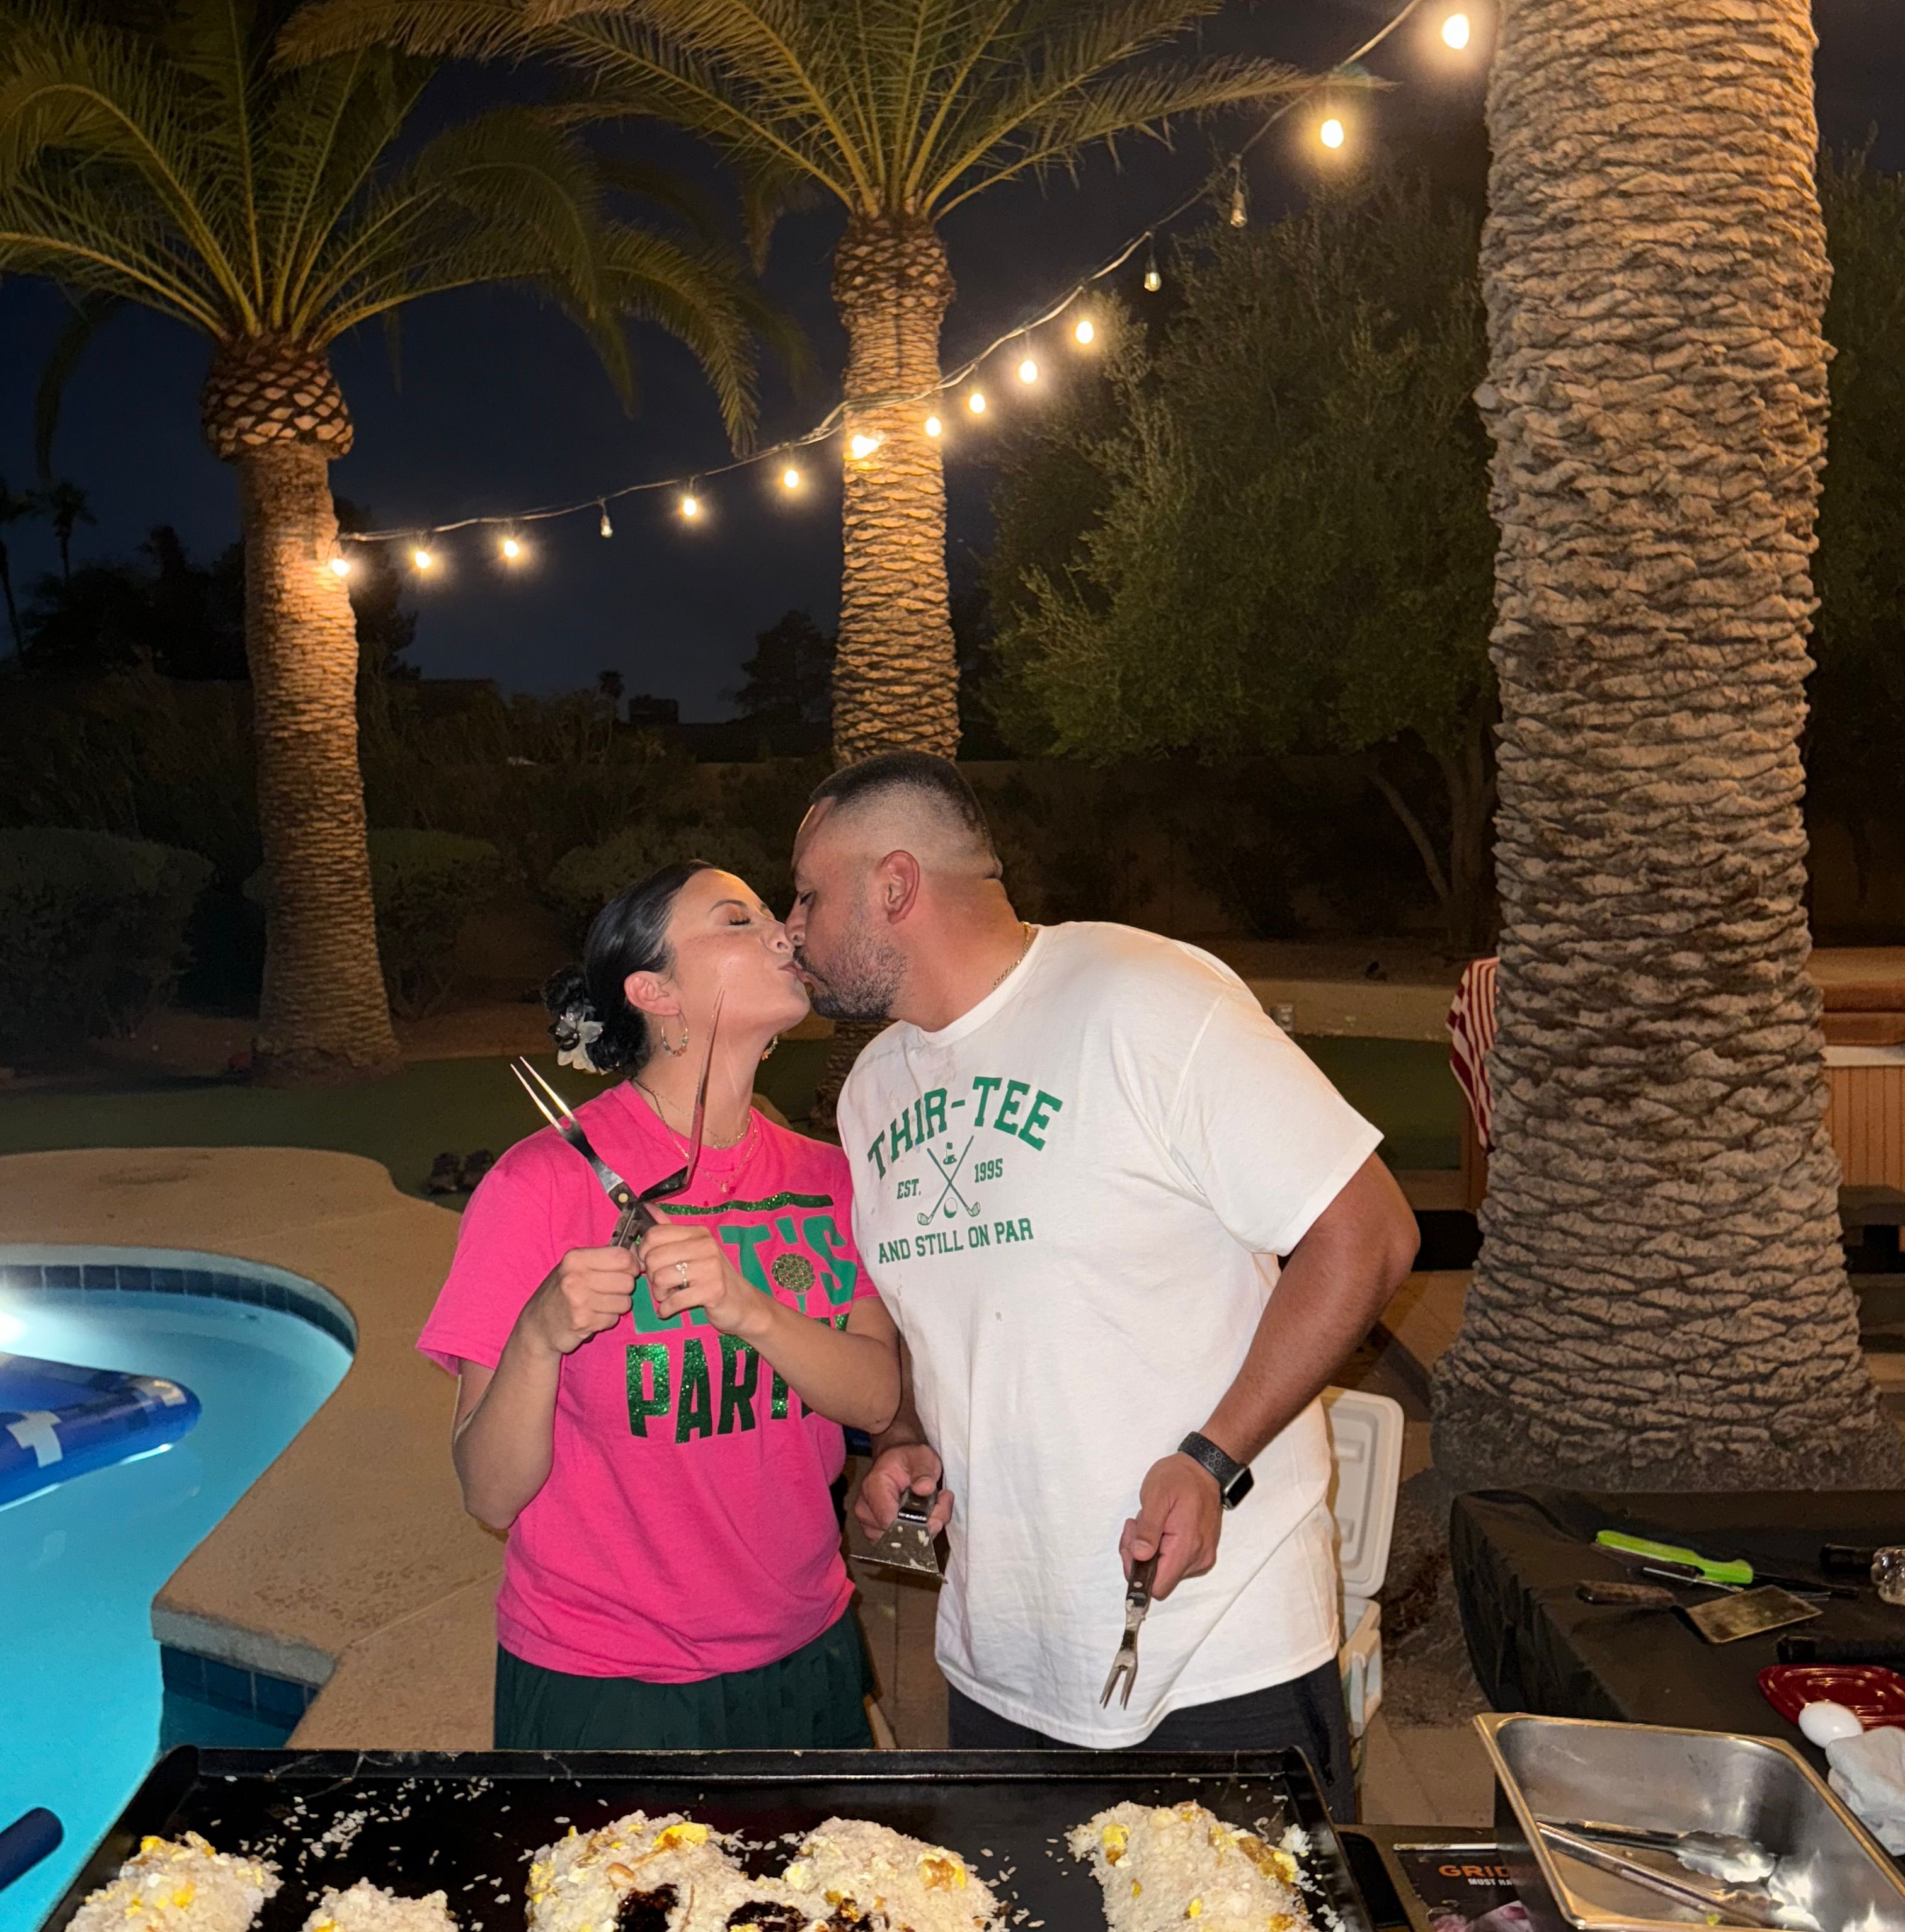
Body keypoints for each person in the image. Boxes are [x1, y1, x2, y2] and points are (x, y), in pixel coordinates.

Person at [787, 755, 1420, 1814]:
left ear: (893, 886)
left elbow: (1367, 1233)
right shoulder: (871, 1090)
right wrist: (901, 1445)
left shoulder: (1140, 997)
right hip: (999, 1665)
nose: (792, 927)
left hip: (1218, 1656)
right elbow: (926, 1328)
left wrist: (1210, 1458)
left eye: (809, 894)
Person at [418, 862, 901, 1749]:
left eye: (771, 914)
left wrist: (751, 1308)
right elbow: (489, 1494)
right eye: (735, 919)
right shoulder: (539, 1185)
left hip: (805, 1648)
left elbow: (874, 1398)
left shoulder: (827, 1178)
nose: (782, 934)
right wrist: (537, 1336)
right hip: (605, 1679)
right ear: (654, 992)